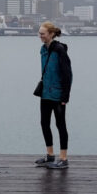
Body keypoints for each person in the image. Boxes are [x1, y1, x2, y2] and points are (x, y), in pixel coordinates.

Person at [35, 21, 72, 169]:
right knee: (44, 123)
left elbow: (68, 74)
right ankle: (50, 155)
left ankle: (63, 158)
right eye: (39, 33)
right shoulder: (43, 50)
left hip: (57, 94)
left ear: (51, 34)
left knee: (60, 125)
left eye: (43, 34)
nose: (40, 36)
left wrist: (65, 96)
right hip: (45, 93)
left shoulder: (59, 50)